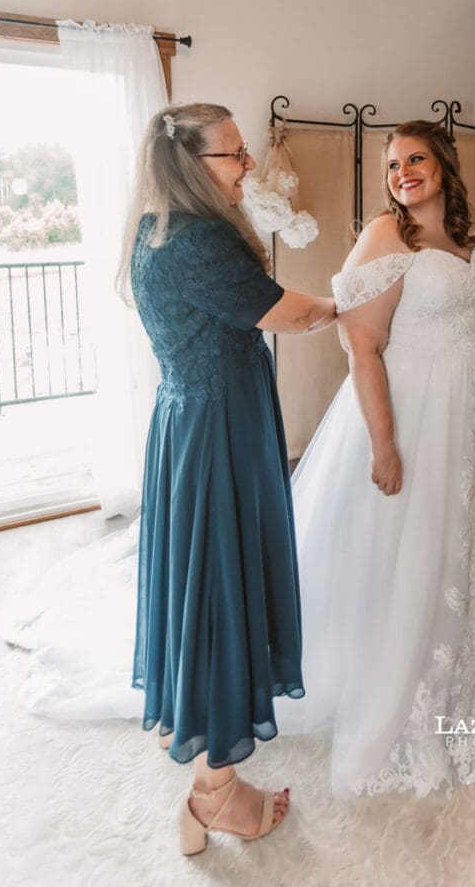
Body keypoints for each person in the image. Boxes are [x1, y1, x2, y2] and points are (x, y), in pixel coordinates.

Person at [274, 120, 475, 797]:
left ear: (444, 164)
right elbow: (361, 346)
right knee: (410, 538)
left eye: (415, 158)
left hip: (472, 404)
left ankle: (471, 640)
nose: (402, 172)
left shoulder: (469, 236)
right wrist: (384, 444)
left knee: (465, 532)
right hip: (413, 408)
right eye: (392, 164)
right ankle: (403, 668)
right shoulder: (386, 235)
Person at [120, 103, 335, 854]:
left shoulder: (155, 231)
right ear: (192, 163)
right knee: (219, 588)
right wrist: (347, 303)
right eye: (235, 154)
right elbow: (284, 314)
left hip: (189, 423)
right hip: (217, 434)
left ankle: (203, 753)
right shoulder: (202, 239)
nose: (248, 166)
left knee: (203, 580)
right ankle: (213, 792)